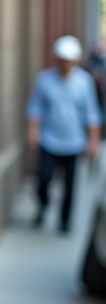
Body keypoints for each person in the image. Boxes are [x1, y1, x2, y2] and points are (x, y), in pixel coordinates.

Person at [27, 35, 102, 233]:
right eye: (62, 60)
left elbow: (91, 113)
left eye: (69, 60)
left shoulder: (84, 82)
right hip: (49, 139)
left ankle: (65, 220)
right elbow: (36, 108)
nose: (65, 64)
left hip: (73, 141)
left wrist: (93, 141)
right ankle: (42, 206)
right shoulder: (44, 80)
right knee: (43, 179)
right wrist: (33, 130)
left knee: (70, 184)